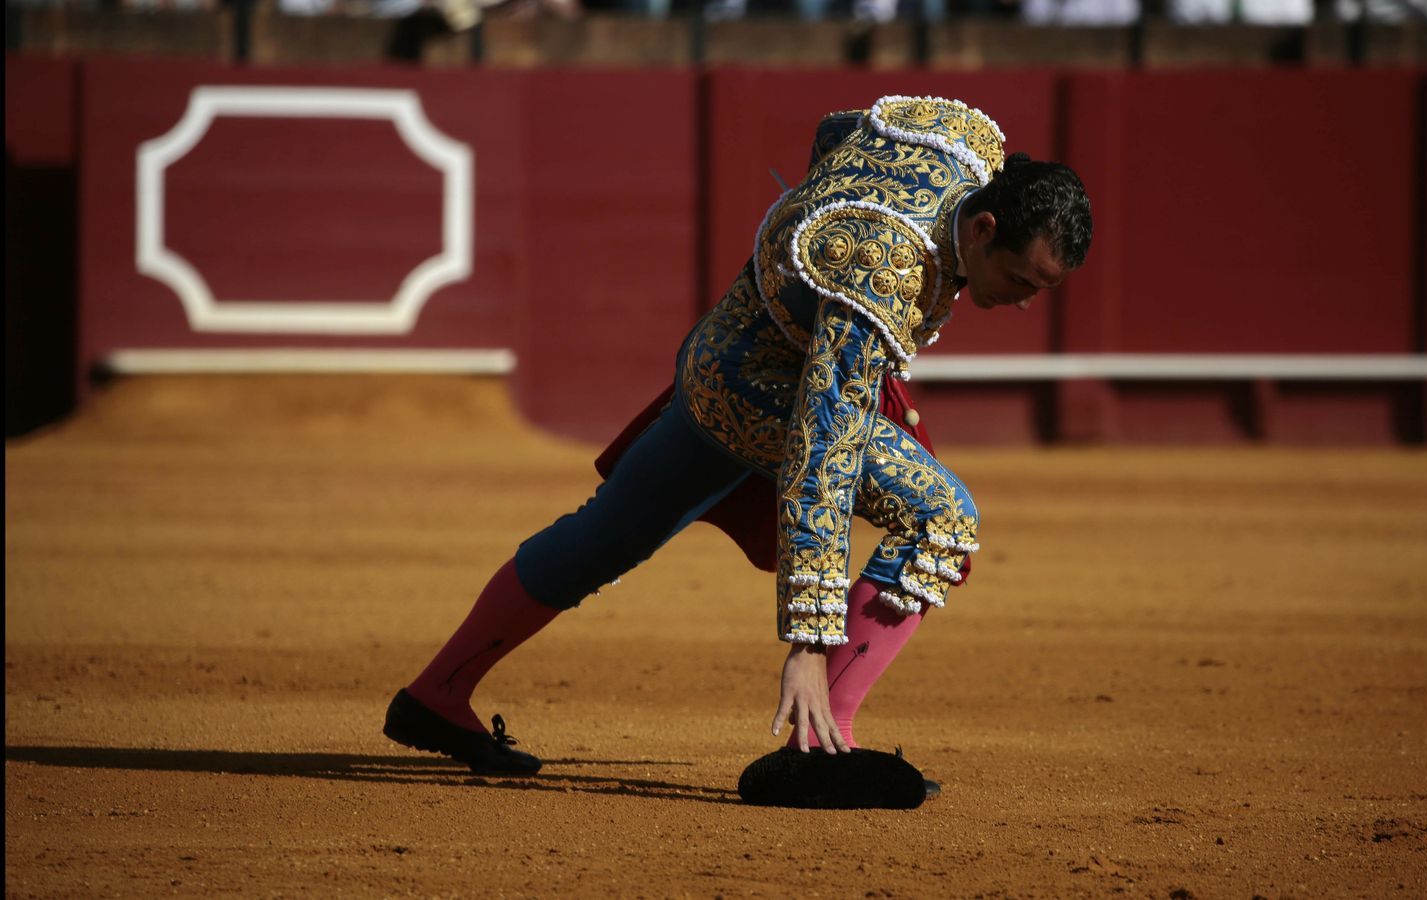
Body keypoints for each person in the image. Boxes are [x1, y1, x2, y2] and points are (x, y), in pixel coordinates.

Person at [382, 95, 1093, 807]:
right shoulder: (881, 271)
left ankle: (436, 693)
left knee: (605, 535)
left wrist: (799, 272)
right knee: (943, 518)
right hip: (766, 396)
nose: (1023, 302)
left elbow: (840, 132)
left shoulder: (959, 140)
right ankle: (817, 744)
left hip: (719, 356)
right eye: (1020, 282)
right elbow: (824, 454)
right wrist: (808, 646)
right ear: (985, 226)